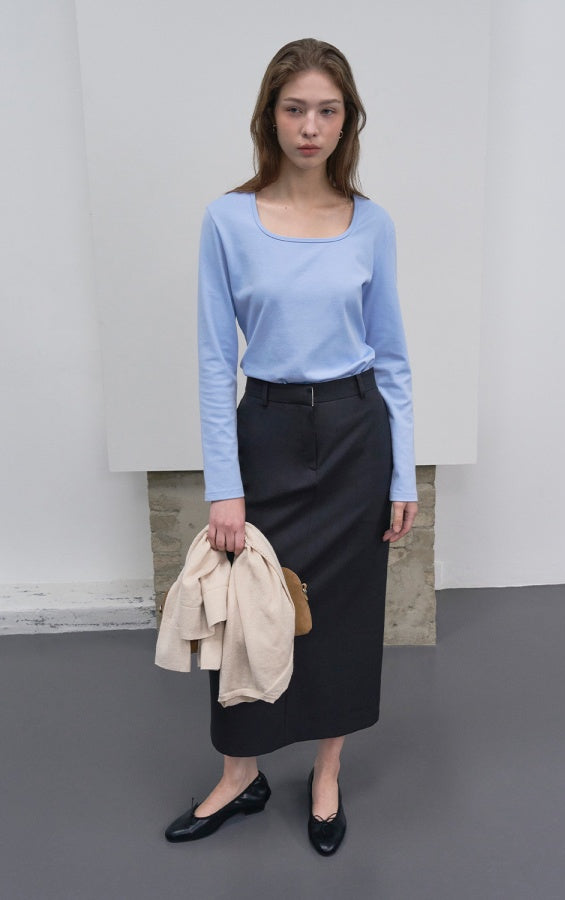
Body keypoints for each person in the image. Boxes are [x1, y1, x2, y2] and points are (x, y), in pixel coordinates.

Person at [164, 37, 418, 855]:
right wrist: (223, 484)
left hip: (355, 436)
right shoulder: (228, 220)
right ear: (269, 117)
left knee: (341, 616)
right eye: (296, 109)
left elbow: (393, 358)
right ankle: (241, 775)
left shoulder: (370, 224)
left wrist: (403, 473)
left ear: (348, 122)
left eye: (328, 111)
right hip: (267, 433)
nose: (311, 127)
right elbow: (215, 360)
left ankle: (327, 773)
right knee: (245, 611)